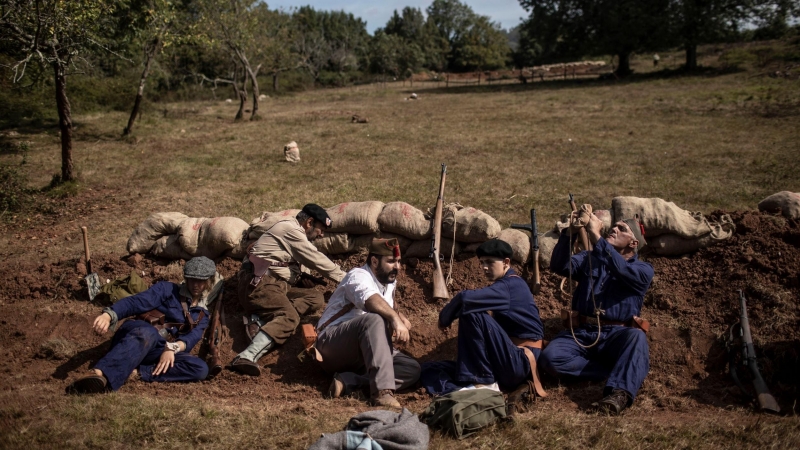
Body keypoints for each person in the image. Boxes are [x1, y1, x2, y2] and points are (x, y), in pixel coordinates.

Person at [539, 211, 653, 414]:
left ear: (633, 243)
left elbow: (620, 269)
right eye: (613, 226)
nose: (614, 229)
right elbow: (560, 265)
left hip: (617, 335)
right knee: (551, 358)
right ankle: (612, 371)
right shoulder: (589, 258)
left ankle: (618, 394)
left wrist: (596, 237)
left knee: (637, 337)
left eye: (622, 229)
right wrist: (570, 233)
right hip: (582, 332)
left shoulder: (643, 270)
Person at [66, 257, 217, 394]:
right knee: (147, 333)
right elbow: (137, 302)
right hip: (137, 334)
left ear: (209, 281)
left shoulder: (202, 315)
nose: (195, 284)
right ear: (186, 278)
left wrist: (172, 348)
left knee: (199, 368)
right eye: (192, 279)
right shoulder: (167, 289)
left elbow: (191, 338)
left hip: (160, 347)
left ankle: (138, 372)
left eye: (201, 280)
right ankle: (99, 374)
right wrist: (110, 314)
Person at [230, 203, 346, 376]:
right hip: (259, 284)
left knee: (315, 298)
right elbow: (316, 259)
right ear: (309, 223)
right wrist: (350, 280)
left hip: (275, 285)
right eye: (321, 229)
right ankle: (247, 356)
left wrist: (300, 278)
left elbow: (284, 263)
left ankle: (261, 320)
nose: (321, 234)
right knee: (290, 317)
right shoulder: (290, 229)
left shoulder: (294, 234)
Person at [421, 239, 545, 401]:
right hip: (508, 359)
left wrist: (445, 318)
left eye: (489, 262)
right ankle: (474, 382)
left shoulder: (511, 285)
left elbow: (465, 298)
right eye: (482, 262)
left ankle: (484, 383)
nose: (484, 267)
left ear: (506, 262)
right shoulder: (505, 285)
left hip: (520, 361)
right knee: (430, 369)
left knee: (472, 312)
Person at [314, 238, 420, 409]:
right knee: (374, 318)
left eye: (399, 262)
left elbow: (387, 304)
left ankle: (350, 381)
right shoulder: (358, 276)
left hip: (364, 353)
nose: (397, 267)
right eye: (391, 261)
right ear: (374, 261)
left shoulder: (389, 282)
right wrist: (394, 320)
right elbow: (371, 300)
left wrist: (400, 317)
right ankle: (382, 392)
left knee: (410, 368)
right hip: (331, 345)